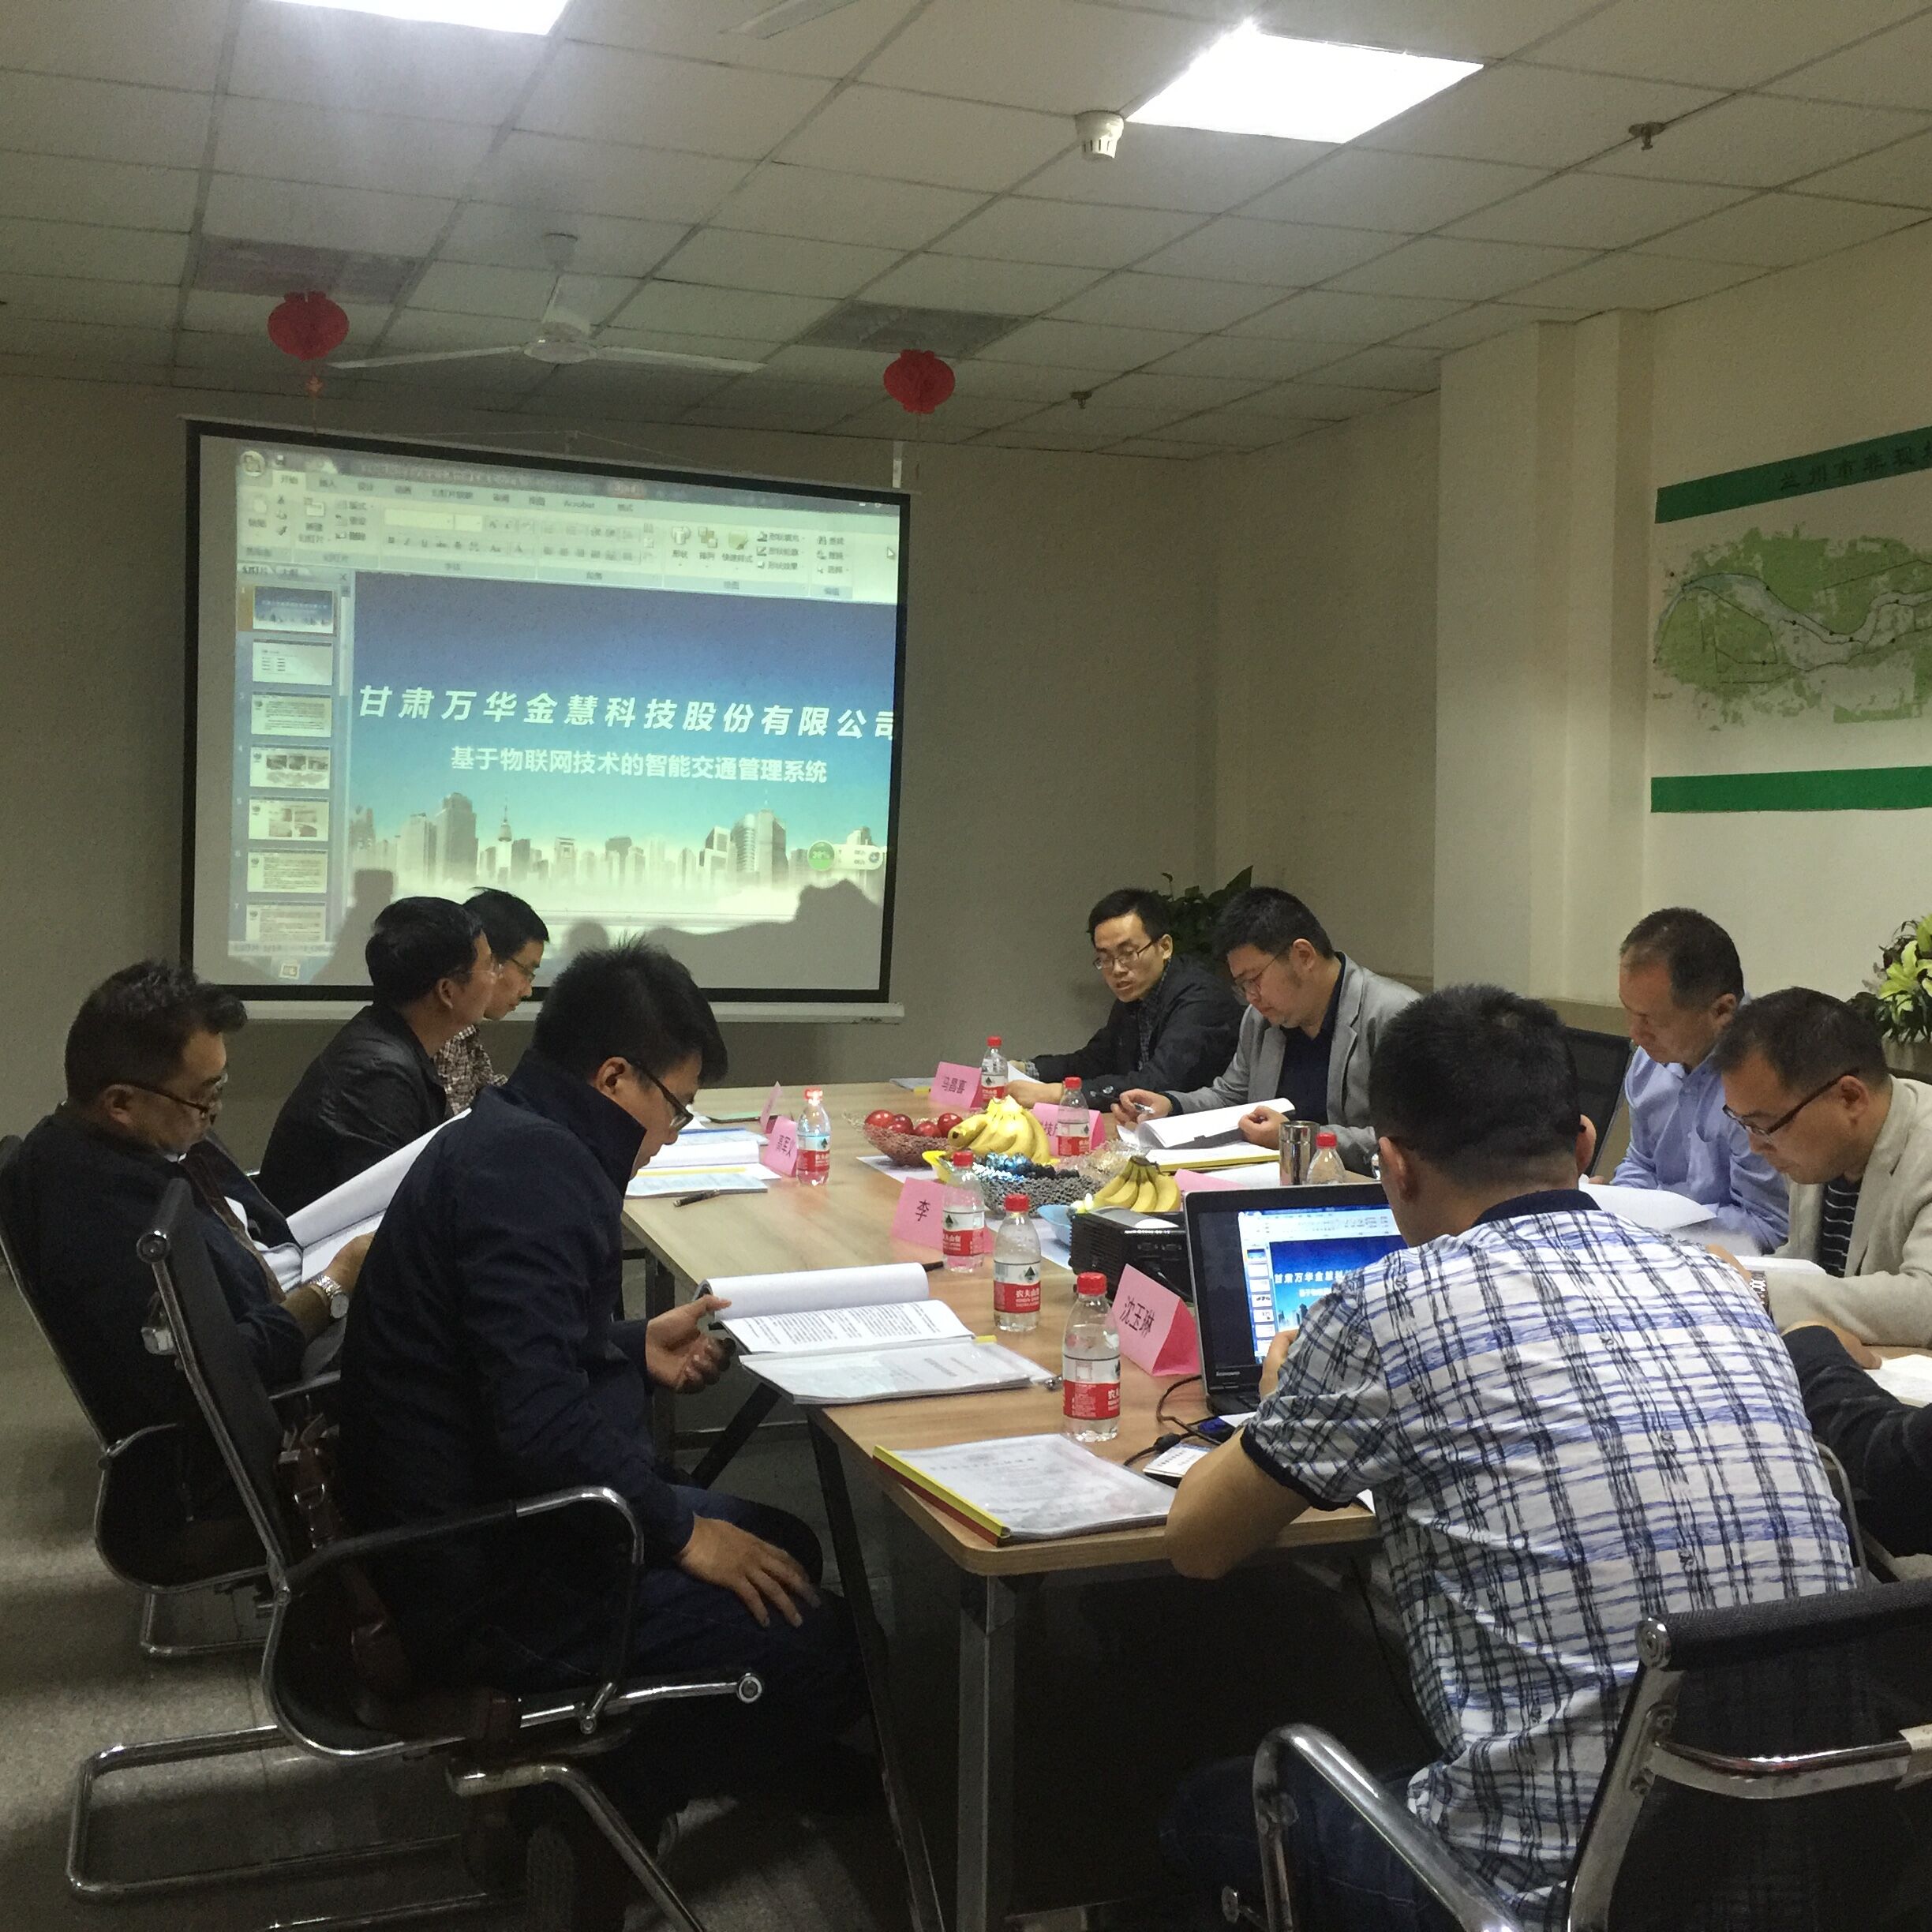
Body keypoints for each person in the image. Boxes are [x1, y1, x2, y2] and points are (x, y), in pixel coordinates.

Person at [1160, 985, 1855, 1932]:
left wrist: (1285, 1402)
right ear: (1583, 1145)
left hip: (1541, 1899)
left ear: (1394, 1165)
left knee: (1207, 1807)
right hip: (1793, 1864)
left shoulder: (1385, 1306)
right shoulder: (1723, 1284)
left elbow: (1198, 1542)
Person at [336, 939, 863, 1820]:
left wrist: (626, 1346)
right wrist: (680, 1536)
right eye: (676, 1108)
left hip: (460, 1510)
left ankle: (743, 1737)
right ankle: (594, 1808)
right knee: (833, 1648)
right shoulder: (534, 1173)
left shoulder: (511, 1132)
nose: (672, 1133)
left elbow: (506, 1352)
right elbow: (539, 1426)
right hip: (481, 1575)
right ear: (615, 1077)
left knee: (783, 1547)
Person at [3, 962, 369, 1443]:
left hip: (285, 1293)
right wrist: (333, 1284)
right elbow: (214, 1373)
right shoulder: (105, 1218)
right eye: (203, 1096)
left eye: (220, 1087)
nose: (215, 1110)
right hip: (284, 1390)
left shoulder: (131, 1142)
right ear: (121, 1104)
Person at [1115, 888, 1417, 1170]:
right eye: (1242, 985)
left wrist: (1297, 1138)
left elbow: (1411, 1139)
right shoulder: (1260, 1020)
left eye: (1254, 979)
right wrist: (1172, 1105)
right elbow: (1231, 1096)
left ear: (1303, 955)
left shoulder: (1396, 1016)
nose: (1251, 996)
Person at [1713, 987, 1932, 1342]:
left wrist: (1758, 1290)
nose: (1755, 1145)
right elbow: (1807, 1266)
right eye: (1746, 1125)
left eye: (1765, 1126)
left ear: (1850, 1097)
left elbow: (1925, 1302)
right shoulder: (1819, 1150)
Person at [258, 897, 492, 1215]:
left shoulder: (391, 1039)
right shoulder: (378, 1075)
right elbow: (390, 1212)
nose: (496, 976)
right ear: (447, 991)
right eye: (489, 966)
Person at [1611, 907, 1787, 1250]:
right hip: (1661, 1246)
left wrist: (1659, 1231)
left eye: (1652, 1020)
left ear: (1722, 1011)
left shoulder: (1766, 1076)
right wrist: (1615, 1215)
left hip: (1738, 1267)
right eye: (1628, 1012)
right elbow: (1641, 1163)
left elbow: (1771, 1228)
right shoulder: (1650, 1060)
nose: (1635, 1035)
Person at [1006, 887, 1241, 1114]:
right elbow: (1095, 1060)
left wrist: (1060, 1094)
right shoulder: (1134, 997)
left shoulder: (1200, 997)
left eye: (1128, 953)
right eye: (1105, 958)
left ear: (1165, 947)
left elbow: (1158, 1082)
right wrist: (1025, 1069)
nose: (1117, 969)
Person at [435, 889, 549, 1115]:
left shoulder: (465, 1026)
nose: (528, 991)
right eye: (525, 971)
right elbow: (456, 1125)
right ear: (487, 959)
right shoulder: (442, 1030)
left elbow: (487, 1090)